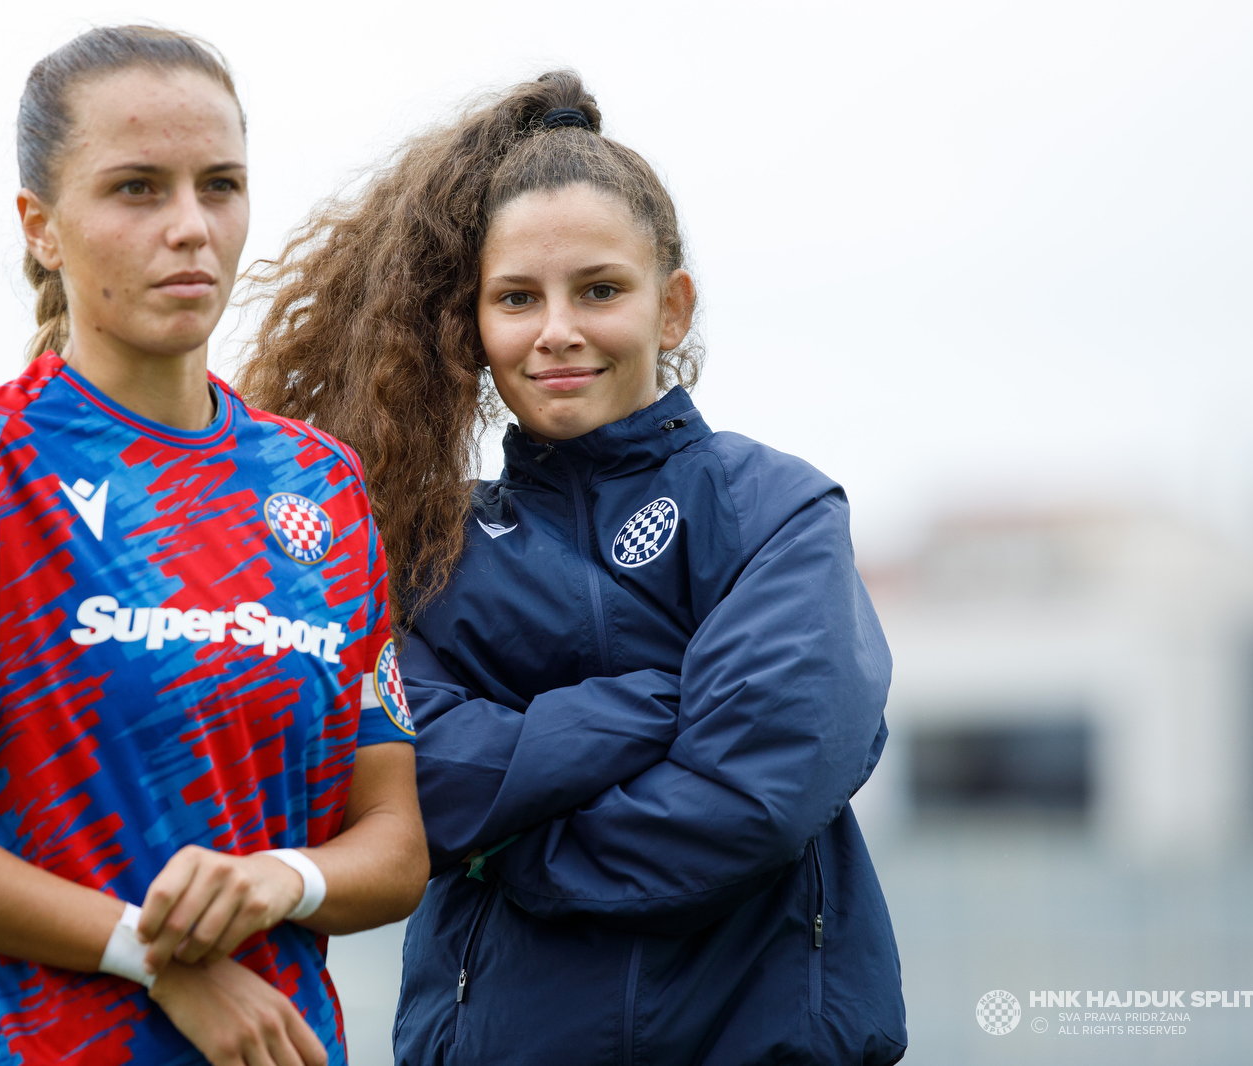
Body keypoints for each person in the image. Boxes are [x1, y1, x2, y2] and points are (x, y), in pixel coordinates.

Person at [236, 72, 907, 1064]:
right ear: (472, 325)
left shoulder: (778, 511)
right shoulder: (420, 547)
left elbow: (748, 799)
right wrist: (656, 704)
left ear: (670, 308)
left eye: (599, 289)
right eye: (516, 297)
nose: (557, 330)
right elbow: (418, 788)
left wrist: (514, 843)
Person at [0, 26, 427, 1066]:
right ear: (41, 227)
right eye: (138, 188)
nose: (191, 227)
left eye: (219, 185)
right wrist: (151, 954)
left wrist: (284, 875)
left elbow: (394, 845)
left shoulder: (319, 483)